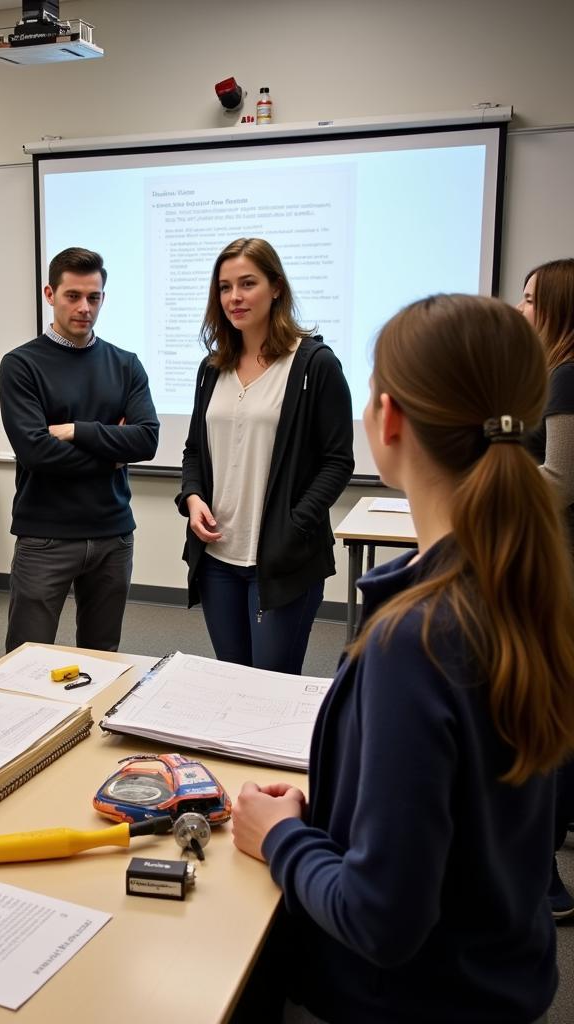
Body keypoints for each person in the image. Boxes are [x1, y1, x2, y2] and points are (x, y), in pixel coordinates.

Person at [231, 293, 574, 1024]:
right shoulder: (523, 587)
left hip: (408, 1000)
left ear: (387, 420)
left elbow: (380, 919)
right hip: (497, 983)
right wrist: (325, 816)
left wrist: (282, 837)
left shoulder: (415, 639)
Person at [176, 238, 353, 674]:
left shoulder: (314, 364)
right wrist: (193, 497)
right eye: (224, 287)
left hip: (281, 560)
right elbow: (195, 450)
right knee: (233, 681)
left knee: (271, 690)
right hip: (218, 559)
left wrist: (294, 526)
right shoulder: (212, 367)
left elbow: (338, 461)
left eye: (247, 283)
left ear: (276, 287)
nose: (234, 297)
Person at [0, 247, 159, 652]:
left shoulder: (126, 364)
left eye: (94, 297)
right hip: (45, 537)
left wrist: (76, 430)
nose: (84, 307)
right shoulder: (20, 365)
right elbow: (36, 453)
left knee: (102, 657)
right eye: (73, 296)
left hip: (113, 535)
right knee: (25, 661)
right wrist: (114, 451)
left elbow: (147, 439)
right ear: (50, 294)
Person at [518, 258, 574, 920]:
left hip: (559, 570)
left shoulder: (566, 375)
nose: (522, 309)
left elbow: (558, 479)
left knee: (550, 722)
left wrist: (489, 477)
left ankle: (543, 880)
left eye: (532, 299)